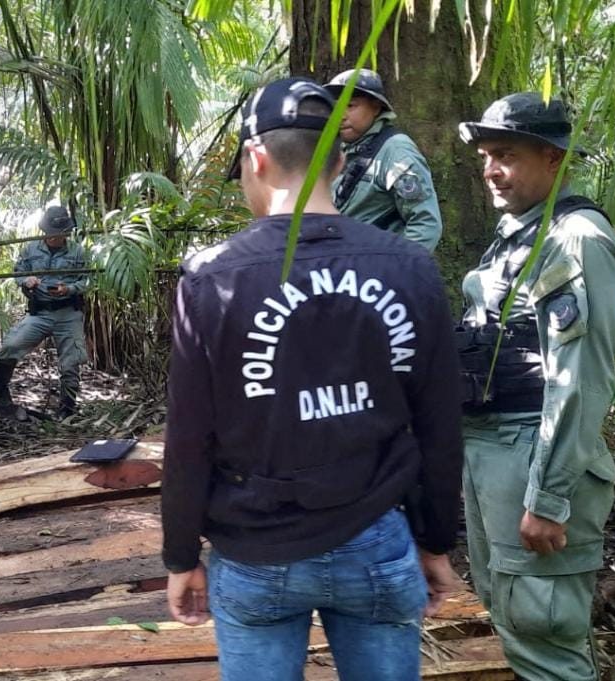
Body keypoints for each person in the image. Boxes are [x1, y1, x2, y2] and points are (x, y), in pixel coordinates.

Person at [162, 76, 465, 681]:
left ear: (256, 158)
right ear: (340, 162)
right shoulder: (408, 266)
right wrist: (435, 541)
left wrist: (180, 555)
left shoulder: (212, 279)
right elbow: (439, 423)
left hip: (255, 551)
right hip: (377, 541)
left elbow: (189, 436)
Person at [456, 92, 615, 681]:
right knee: (515, 617)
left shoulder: (575, 237)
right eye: (486, 156)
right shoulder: (519, 232)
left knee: (542, 630)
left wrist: (549, 498)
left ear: (553, 158)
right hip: (495, 451)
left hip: (532, 452)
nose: (491, 170)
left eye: (506, 154)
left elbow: (579, 379)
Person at [0, 206, 89, 419]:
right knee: (11, 346)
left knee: (71, 363)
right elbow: (19, 272)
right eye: (50, 232)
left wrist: (69, 289)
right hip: (40, 313)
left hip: (68, 313)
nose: (53, 236)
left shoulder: (78, 252)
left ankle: (67, 408)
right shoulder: (31, 249)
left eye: (59, 233)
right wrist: (27, 281)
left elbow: (88, 280)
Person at [324, 69, 443, 251]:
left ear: (376, 107)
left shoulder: (396, 151)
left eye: (350, 106)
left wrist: (396, 264)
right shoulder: (339, 150)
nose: (341, 116)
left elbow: (426, 224)